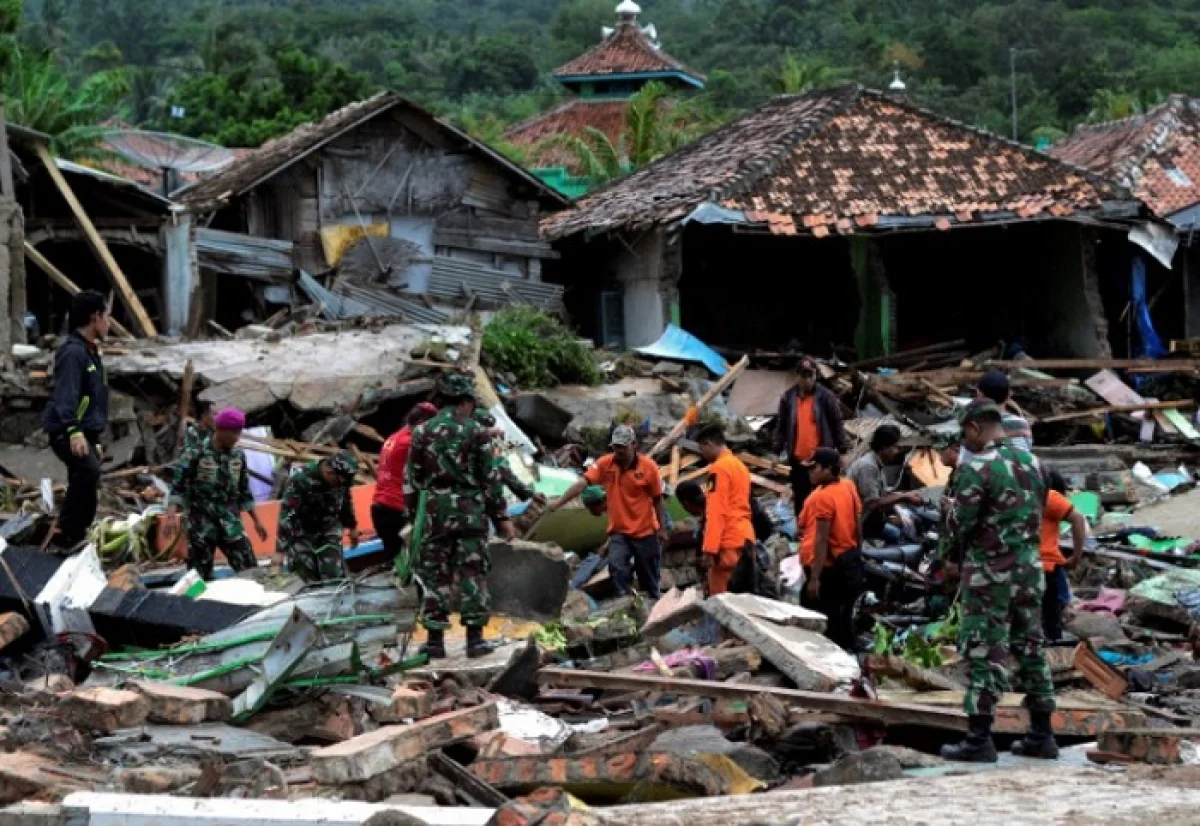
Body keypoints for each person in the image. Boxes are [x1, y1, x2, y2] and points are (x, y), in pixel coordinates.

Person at [939, 399, 1057, 763]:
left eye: (964, 434)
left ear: (974, 427)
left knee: (984, 649)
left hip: (991, 573)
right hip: (1029, 571)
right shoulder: (1036, 464)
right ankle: (1042, 733)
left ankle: (979, 738)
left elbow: (962, 525)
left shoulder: (978, 467)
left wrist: (949, 548)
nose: (964, 442)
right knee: (1031, 647)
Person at [407, 372, 516, 659]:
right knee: (472, 574)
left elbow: (413, 479)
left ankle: (434, 641)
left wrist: (415, 515)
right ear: (465, 401)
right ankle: (475, 641)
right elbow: (490, 478)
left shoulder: (421, 432)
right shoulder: (476, 431)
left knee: (435, 576)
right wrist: (502, 517)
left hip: (434, 513)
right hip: (469, 512)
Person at [549, 425, 669, 599]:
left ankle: (653, 603)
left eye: (622, 447)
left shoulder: (648, 467)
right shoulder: (606, 464)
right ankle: (625, 600)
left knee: (648, 575)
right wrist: (558, 503)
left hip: (645, 531)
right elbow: (582, 483)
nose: (618, 451)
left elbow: (658, 499)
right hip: (620, 532)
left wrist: (662, 529)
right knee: (617, 566)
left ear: (633, 445)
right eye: (615, 447)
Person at [43, 290, 111, 551]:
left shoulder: (91, 353)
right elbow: (66, 395)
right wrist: (73, 430)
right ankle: (66, 534)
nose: (108, 324)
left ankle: (74, 535)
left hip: (85, 431)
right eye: (106, 317)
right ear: (95, 318)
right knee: (87, 471)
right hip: (67, 428)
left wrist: (94, 437)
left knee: (88, 476)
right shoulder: (73, 353)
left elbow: (93, 399)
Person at [165, 407, 268, 580]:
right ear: (220, 430)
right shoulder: (194, 454)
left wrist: (257, 521)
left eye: (239, 433)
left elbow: (244, 491)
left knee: (250, 570)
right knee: (198, 577)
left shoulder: (238, 456)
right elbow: (178, 486)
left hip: (230, 522)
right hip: (201, 524)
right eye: (233, 433)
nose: (236, 438)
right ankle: (192, 605)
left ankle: (259, 603)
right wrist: (170, 517)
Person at [798, 447, 864, 651]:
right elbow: (857, 522)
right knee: (842, 616)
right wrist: (858, 551)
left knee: (821, 618)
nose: (810, 472)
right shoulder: (847, 486)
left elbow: (821, 538)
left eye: (814, 468)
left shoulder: (822, 498)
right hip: (847, 560)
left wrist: (815, 578)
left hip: (827, 566)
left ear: (828, 469)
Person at [773, 358, 846, 515]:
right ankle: (803, 532)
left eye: (810, 376)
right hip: (799, 458)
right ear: (797, 376)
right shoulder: (788, 398)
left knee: (821, 498)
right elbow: (782, 426)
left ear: (815, 376)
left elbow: (836, 423)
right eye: (803, 376)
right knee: (801, 498)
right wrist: (776, 450)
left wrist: (842, 450)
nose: (806, 380)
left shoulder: (826, 397)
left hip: (820, 461)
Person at [278, 450, 360, 582]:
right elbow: (287, 514)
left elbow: (346, 501)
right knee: (308, 578)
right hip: (302, 531)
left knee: (332, 574)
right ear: (329, 473)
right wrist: (280, 551)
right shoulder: (301, 479)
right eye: (339, 482)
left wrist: (353, 527)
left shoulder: (342, 480)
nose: (342, 486)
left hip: (329, 528)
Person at [693, 426, 757, 596]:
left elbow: (716, 511)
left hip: (727, 542)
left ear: (708, 444)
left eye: (702, 449)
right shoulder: (739, 466)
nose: (702, 454)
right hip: (744, 537)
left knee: (722, 601)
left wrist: (709, 549)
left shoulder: (719, 469)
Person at [372, 402, 438, 564]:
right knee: (417, 563)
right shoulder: (410, 442)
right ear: (422, 422)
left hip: (381, 507)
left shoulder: (395, 437)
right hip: (397, 510)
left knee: (397, 563)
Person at [847, 424, 923, 543]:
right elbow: (873, 503)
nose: (897, 451)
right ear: (883, 447)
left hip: (872, 520)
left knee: (900, 532)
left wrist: (904, 495)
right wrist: (904, 497)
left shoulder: (878, 464)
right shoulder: (868, 467)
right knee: (899, 537)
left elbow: (881, 493)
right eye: (894, 447)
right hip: (858, 523)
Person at [1040, 471, 1087, 642]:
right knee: (1051, 616)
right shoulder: (1049, 496)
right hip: (1046, 565)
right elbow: (1078, 519)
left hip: (1021, 565)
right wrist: (1076, 555)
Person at [959, 371, 1033, 464]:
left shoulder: (977, 426)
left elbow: (964, 461)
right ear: (1009, 395)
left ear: (979, 395)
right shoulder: (1022, 424)